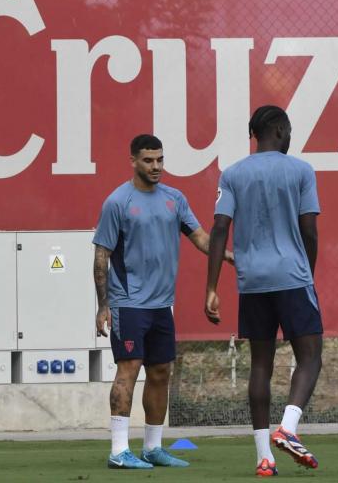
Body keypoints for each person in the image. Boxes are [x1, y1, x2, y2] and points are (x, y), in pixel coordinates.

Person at [93, 134, 233, 470]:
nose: (155, 166)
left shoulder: (174, 198)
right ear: (133, 161)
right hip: (128, 303)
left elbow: (199, 235)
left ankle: (153, 448)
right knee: (129, 369)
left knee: (160, 372)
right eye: (148, 160)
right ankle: (118, 450)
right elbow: (101, 258)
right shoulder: (118, 202)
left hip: (161, 305)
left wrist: (226, 255)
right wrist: (103, 305)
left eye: (159, 160)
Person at [205, 106, 323, 477]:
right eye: (288, 130)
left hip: (252, 281)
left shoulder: (233, 173)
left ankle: (263, 459)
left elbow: (220, 229)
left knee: (260, 365)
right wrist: (309, 272)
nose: (290, 137)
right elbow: (309, 231)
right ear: (277, 129)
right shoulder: (301, 170)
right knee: (310, 356)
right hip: (292, 276)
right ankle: (288, 428)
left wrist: (211, 287)